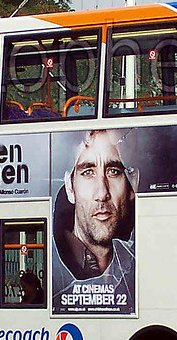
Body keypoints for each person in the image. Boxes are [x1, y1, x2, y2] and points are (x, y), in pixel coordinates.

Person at [52, 128, 137, 313]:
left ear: (133, 185)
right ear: (70, 188)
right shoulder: (56, 268)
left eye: (113, 171)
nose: (102, 193)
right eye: (88, 172)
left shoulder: (139, 262)